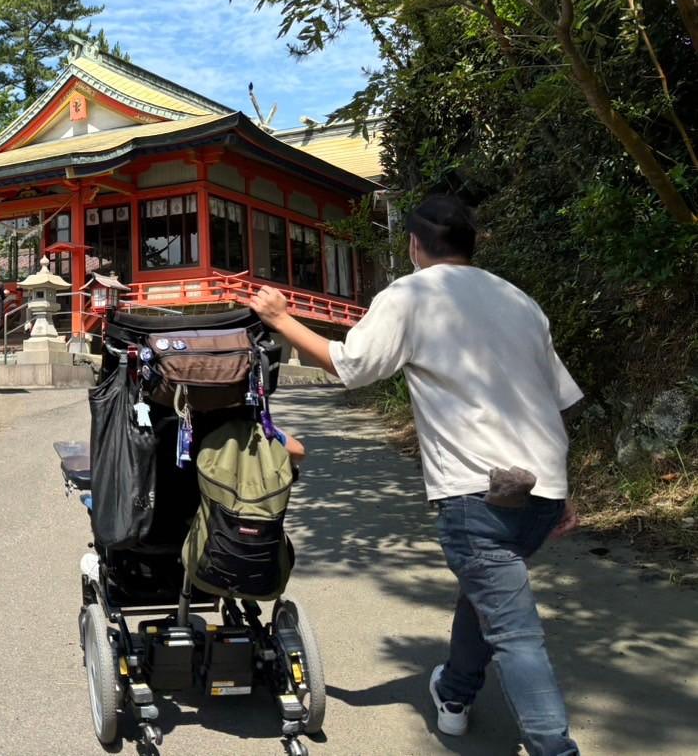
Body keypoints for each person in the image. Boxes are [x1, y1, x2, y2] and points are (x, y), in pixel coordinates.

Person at [248, 195, 582, 756]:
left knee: (517, 634)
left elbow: (352, 365)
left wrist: (281, 319)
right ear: (472, 246)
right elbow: (557, 400)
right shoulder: (520, 300)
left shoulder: (410, 294)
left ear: (413, 246)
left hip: (479, 495)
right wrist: (569, 491)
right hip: (542, 493)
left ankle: (555, 748)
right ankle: (453, 696)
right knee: (486, 601)